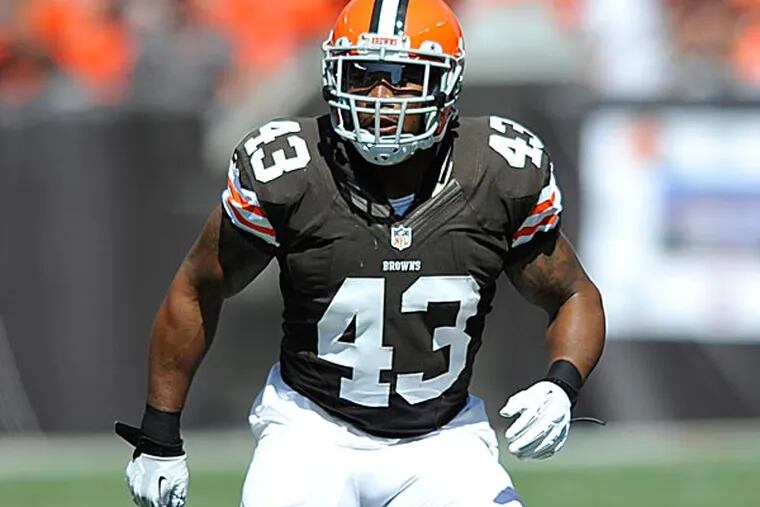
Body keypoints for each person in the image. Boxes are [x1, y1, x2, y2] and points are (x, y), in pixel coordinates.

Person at [115, 0, 606, 505]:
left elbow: (572, 293)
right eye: (364, 75)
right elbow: (198, 287)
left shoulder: (498, 173)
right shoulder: (292, 171)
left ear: (447, 86)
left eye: (404, 77)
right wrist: (158, 435)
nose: (379, 96)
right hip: (310, 431)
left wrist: (561, 385)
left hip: (444, 437)